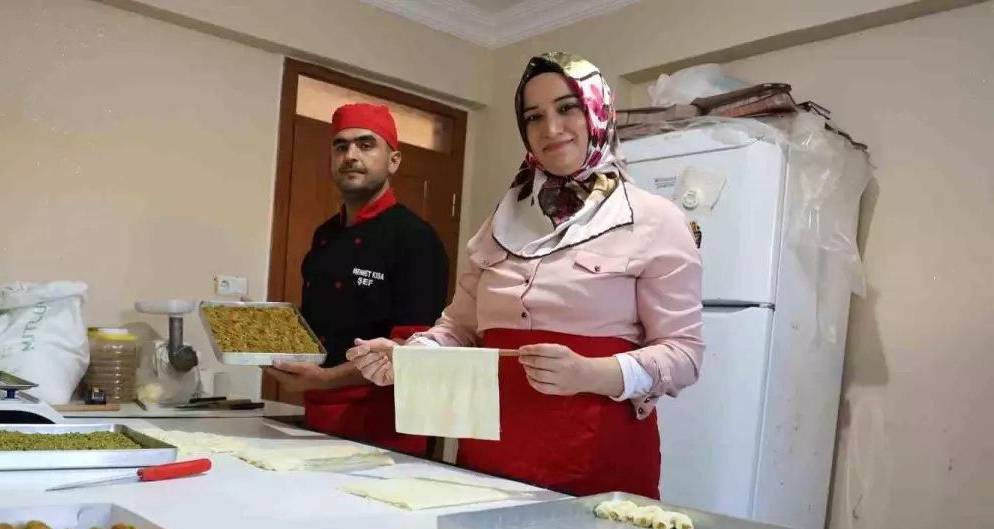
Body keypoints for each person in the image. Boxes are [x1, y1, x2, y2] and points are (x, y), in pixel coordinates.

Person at [347, 53, 704, 498]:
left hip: (595, 465)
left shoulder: (653, 219)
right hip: (487, 461)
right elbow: (459, 329)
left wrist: (592, 374)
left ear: (597, 110)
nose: (550, 128)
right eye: (533, 117)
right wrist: (407, 357)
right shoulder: (500, 224)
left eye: (567, 107)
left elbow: (684, 355)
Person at [266, 103, 449, 456]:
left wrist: (327, 378)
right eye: (341, 146)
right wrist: (265, 327)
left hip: (387, 423)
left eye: (366, 145)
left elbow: (411, 350)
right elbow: (316, 320)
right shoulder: (324, 235)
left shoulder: (415, 238)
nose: (351, 155)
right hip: (318, 412)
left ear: (393, 161)